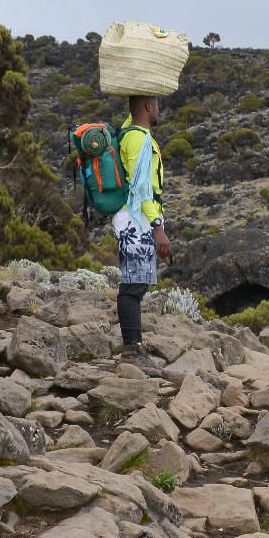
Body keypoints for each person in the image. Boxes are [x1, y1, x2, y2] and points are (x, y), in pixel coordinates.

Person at [113, 95, 168, 369]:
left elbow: (130, 118)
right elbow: (140, 188)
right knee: (133, 287)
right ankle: (131, 352)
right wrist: (158, 227)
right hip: (136, 219)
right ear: (147, 107)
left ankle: (135, 348)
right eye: (156, 104)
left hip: (136, 218)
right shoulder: (138, 139)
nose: (159, 109)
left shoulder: (133, 132)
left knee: (138, 284)